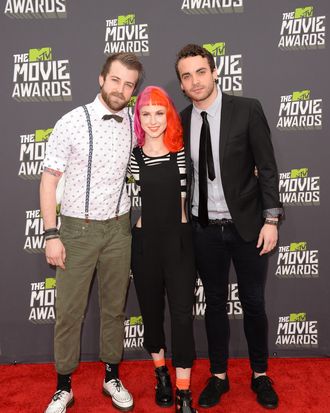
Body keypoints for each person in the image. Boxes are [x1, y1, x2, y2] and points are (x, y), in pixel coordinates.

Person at [175, 44, 283, 410]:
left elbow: (267, 167)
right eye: (186, 76)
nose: (195, 81)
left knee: (253, 302)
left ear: (215, 72)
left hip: (249, 226)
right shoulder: (181, 118)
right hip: (204, 230)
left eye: (200, 72)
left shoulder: (247, 109)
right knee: (215, 305)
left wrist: (271, 219)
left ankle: (259, 374)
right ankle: (218, 376)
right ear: (182, 83)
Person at [40, 52, 143, 413]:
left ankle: (111, 376)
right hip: (75, 231)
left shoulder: (135, 122)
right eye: (116, 80)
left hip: (119, 230)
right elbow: (49, 180)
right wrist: (52, 234)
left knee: (114, 310)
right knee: (69, 311)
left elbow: (164, 152)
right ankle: (63, 387)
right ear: (101, 79)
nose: (121, 89)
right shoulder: (71, 121)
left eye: (129, 84)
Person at [129, 86, 198, 413]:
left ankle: (184, 392)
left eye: (160, 112)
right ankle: (161, 376)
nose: (153, 120)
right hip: (145, 245)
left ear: (169, 114)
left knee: (183, 316)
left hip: (180, 242)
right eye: (146, 113)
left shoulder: (182, 151)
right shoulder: (133, 156)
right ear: (138, 117)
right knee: (152, 313)